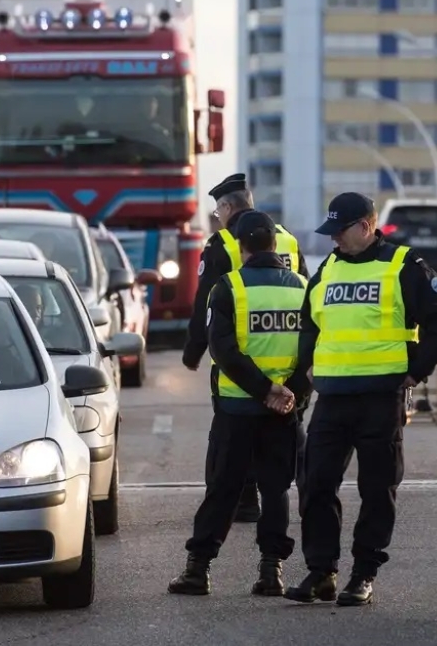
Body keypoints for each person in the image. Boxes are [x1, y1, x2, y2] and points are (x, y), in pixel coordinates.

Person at [284, 192, 437, 607]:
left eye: (340, 232)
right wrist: (308, 362)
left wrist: (414, 372)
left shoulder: (404, 266)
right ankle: (321, 571)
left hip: (380, 399)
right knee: (316, 483)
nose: (334, 241)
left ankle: (363, 574)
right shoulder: (328, 267)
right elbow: (310, 320)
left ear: (365, 226)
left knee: (377, 489)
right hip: (332, 398)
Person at [168, 211, 309, 597]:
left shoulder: (228, 288)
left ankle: (198, 570)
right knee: (276, 489)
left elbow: (224, 351)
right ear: (275, 245)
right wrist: (288, 393)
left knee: (223, 489)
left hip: (236, 410)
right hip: (284, 411)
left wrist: (262, 390)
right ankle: (271, 572)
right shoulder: (302, 287)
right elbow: (312, 353)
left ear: (242, 247)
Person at [183, 173, 311, 523]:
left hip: (240, 355)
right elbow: (306, 293)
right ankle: (301, 498)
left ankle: (244, 501)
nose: (217, 217)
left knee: (236, 434)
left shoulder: (223, 242)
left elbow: (205, 301)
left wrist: (194, 350)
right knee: (286, 432)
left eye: (217, 210)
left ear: (227, 207)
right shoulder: (287, 239)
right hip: (286, 360)